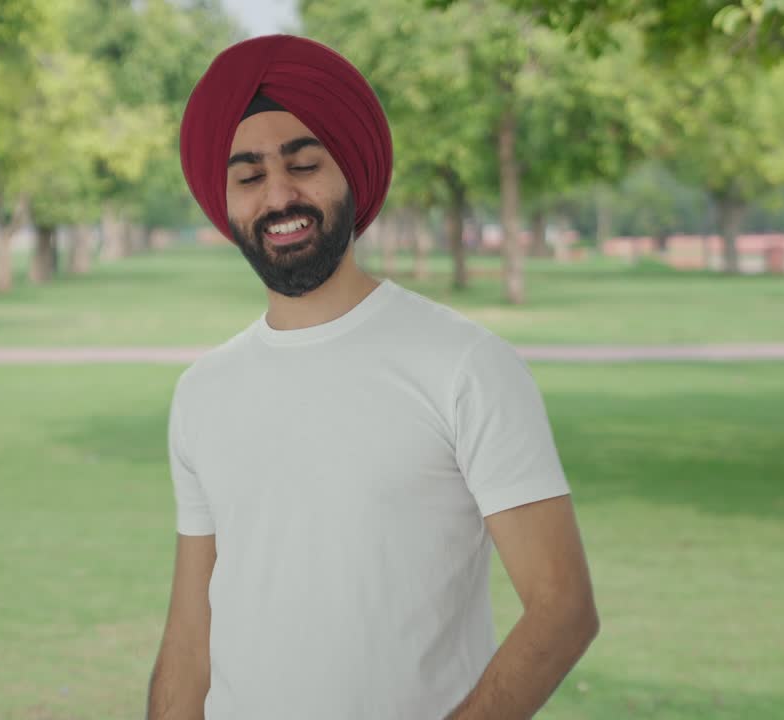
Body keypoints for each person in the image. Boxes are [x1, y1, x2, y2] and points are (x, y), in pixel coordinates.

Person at [147, 34, 598, 720]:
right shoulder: (202, 392)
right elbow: (187, 642)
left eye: (303, 164)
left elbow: (562, 608)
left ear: (351, 171)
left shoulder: (465, 365)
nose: (279, 196)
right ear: (225, 200)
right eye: (248, 177)